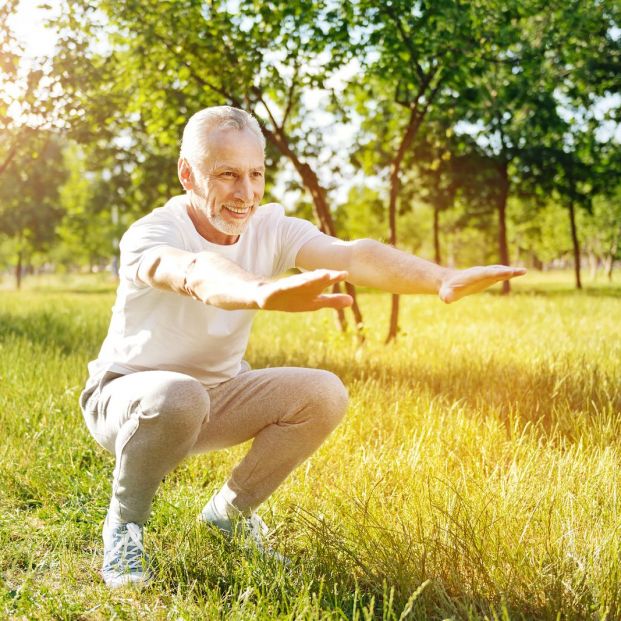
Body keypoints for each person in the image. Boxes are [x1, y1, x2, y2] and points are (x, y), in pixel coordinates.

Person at [79, 105, 526, 589]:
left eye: (255, 174)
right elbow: (192, 273)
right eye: (227, 174)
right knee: (179, 395)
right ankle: (124, 526)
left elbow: (354, 255)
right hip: (127, 400)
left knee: (323, 392)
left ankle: (228, 514)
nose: (245, 193)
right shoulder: (154, 232)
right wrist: (260, 291)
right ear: (188, 174)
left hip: (219, 394)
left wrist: (441, 278)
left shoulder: (271, 227)